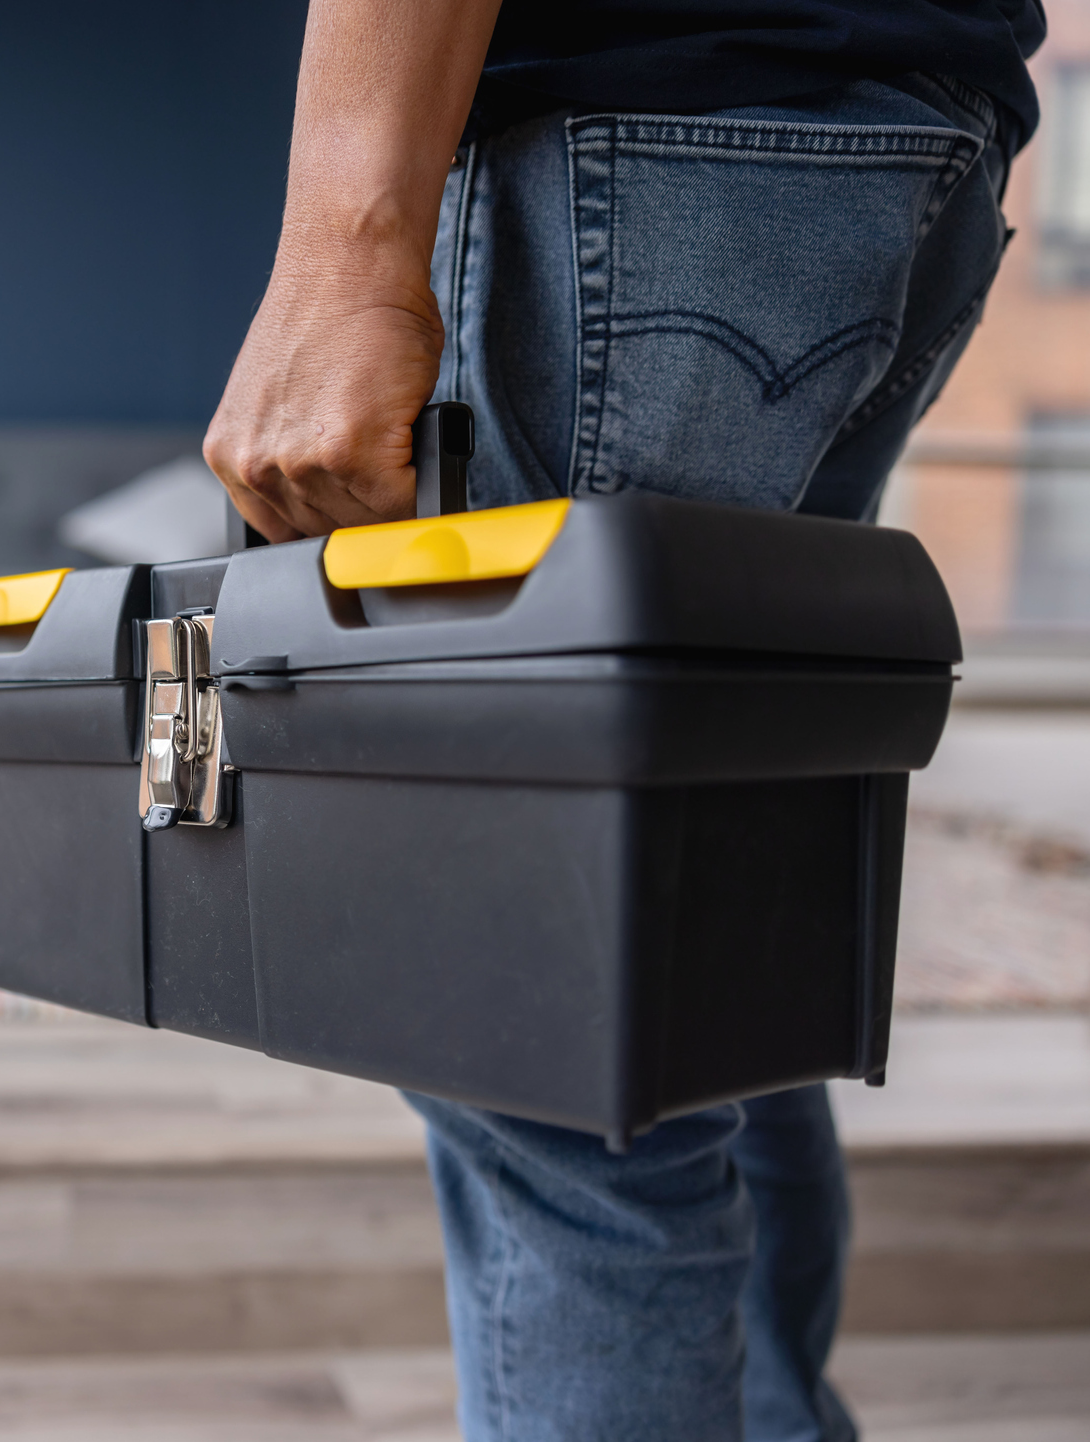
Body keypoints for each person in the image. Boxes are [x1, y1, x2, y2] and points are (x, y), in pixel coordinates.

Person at [203, 3, 1045, 1438]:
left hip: (642, 147)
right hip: (899, 136)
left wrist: (343, 250)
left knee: (535, 1040)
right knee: (704, 944)